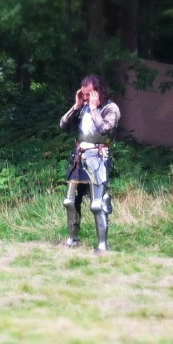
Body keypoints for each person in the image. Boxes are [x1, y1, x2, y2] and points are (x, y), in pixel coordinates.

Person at [59, 74, 121, 252]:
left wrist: (94, 109)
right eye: (84, 94)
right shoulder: (83, 107)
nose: (86, 97)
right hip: (78, 157)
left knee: (97, 204)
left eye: (89, 94)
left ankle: (102, 246)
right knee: (69, 202)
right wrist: (76, 105)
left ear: (97, 91)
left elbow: (105, 130)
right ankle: (72, 240)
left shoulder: (111, 108)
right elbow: (63, 125)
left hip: (98, 158)